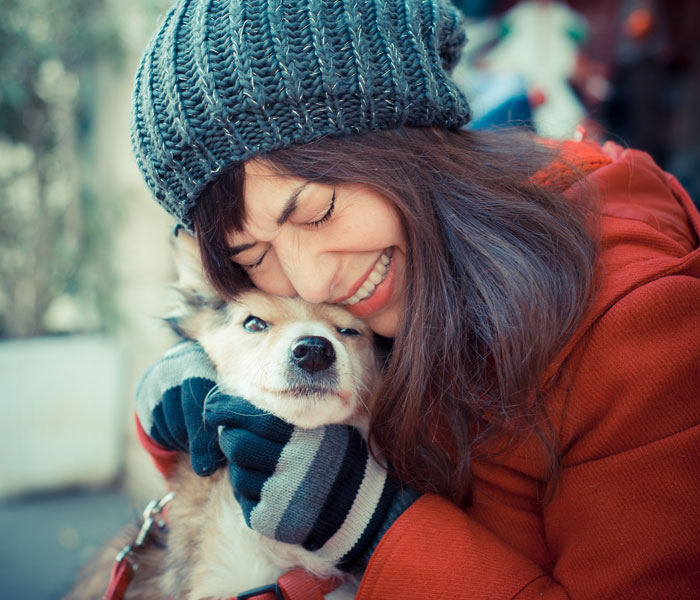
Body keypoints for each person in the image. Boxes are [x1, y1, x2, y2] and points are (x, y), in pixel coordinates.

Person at [130, 0, 700, 598]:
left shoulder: (635, 322)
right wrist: (187, 409)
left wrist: (376, 530)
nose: (314, 283)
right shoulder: (394, 282)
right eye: (255, 258)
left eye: (318, 213)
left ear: (406, 143)